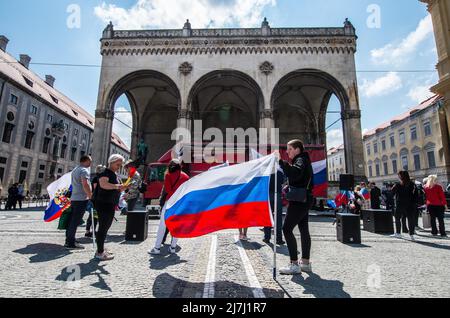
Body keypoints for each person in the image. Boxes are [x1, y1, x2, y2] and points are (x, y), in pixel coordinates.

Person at [277, 140, 314, 275]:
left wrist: (281, 162)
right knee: (304, 229)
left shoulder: (301, 160)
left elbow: (295, 173)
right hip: (305, 198)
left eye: (290, 149)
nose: (287, 152)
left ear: (297, 149)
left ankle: (294, 264)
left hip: (300, 200)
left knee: (286, 229)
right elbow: (298, 177)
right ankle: (305, 263)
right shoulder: (303, 159)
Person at [149, 159, 189, 255]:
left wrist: (173, 197)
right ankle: (173, 248)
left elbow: (167, 189)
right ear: (181, 166)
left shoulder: (168, 175)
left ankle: (157, 248)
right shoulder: (186, 176)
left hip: (169, 202)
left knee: (163, 225)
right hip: (180, 203)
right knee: (177, 225)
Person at [95, 154, 129, 261]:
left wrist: (122, 189)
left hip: (110, 203)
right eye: (117, 164)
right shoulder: (105, 172)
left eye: (120, 164)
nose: (119, 166)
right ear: (111, 162)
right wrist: (117, 186)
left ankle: (100, 249)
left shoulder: (114, 174)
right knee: (103, 227)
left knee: (106, 226)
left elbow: (115, 188)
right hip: (103, 203)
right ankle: (100, 252)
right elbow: (103, 184)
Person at [65, 156, 93, 250]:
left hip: (74, 198)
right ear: (86, 161)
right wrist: (90, 196)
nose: (91, 164)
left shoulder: (75, 169)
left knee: (72, 220)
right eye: (90, 161)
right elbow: (85, 184)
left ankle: (69, 239)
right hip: (81, 198)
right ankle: (71, 242)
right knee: (75, 221)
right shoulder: (84, 170)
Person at [391, 171, 418, 241]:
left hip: (400, 203)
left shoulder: (398, 184)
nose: (398, 176)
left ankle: (398, 233)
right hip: (410, 204)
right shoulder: (412, 184)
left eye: (399, 175)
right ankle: (411, 234)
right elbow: (416, 195)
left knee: (397, 218)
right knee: (410, 219)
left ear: (401, 176)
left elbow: (392, 192)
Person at [263, 170, 286, 245]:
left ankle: (267, 238)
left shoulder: (266, 172)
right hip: (277, 195)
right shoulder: (279, 173)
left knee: (268, 216)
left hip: (268, 195)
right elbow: (283, 183)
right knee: (278, 218)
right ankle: (279, 239)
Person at [85, 165, 106, 238]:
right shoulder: (96, 178)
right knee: (93, 216)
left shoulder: (98, 178)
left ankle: (91, 231)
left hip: (97, 199)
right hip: (96, 199)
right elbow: (95, 188)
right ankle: (89, 231)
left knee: (94, 215)